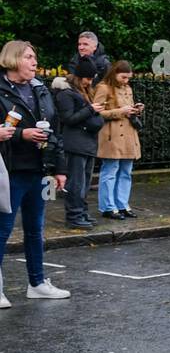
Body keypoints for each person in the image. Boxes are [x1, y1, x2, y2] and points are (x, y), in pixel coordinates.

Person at [0, 40, 70, 305]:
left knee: (35, 229)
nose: (34, 62)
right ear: (13, 59)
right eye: (29, 57)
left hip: (41, 171)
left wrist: (60, 168)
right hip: (9, 171)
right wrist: (21, 134)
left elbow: (55, 131)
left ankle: (38, 282)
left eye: (34, 57)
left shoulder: (40, 89)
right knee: (2, 230)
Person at [52, 59, 105, 229]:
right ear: (79, 77)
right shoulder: (66, 93)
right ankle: (74, 216)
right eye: (87, 78)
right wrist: (91, 109)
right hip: (75, 144)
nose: (90, 82)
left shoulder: (82, 91)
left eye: (91, 79)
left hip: (87, 143)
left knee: (84, 183)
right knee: (76, 183)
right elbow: (67, 119)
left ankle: (81, 212)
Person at [92, 61, 143, 219]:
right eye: (123, 77)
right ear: (114, 73)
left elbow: (128, 109)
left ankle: (122, 204)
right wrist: (120, 111)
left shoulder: (127, 88)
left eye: (128, 78)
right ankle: (108, 206)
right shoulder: (103, 87)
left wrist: (136, 109)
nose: (126, 81)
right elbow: (96, 112)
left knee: (126, 172)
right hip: (111, 135)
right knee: (110, 171)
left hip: (128, 133)